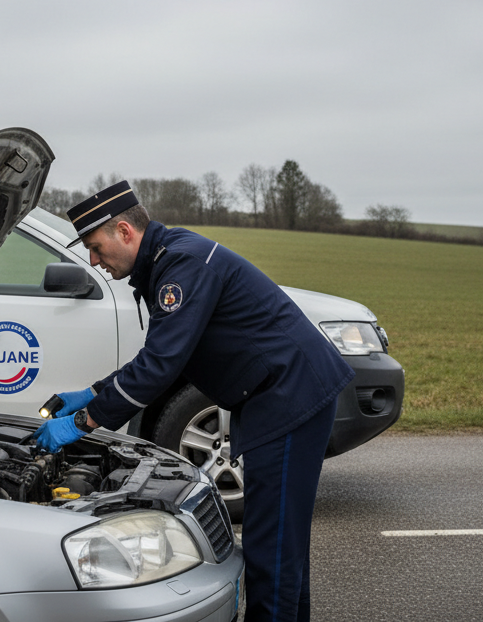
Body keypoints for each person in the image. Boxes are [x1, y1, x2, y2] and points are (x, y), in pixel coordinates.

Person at [32, 180, 353, 622]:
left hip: (288, 397)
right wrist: (93, 392)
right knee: (282, 545)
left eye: (96, 246)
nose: (93, 260)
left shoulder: (180, 264)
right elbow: (168, 357)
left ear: (124, 232)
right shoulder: (166, 258)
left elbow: (161, 366)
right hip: (280, 393)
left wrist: (83, 421)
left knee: (271, 548)